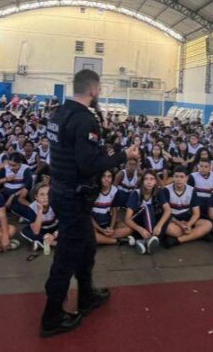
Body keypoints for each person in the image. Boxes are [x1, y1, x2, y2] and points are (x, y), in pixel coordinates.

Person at [41, 69, 141, 338]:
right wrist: (123, 156)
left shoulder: (59, 113)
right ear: (94, 89)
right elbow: (88, 165)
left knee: (86, 247)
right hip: (74, 197)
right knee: (66, 257)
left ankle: (86, 295)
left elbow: (74, 152)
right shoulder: (84, 119)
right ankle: (51, 316)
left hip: (63, 192)